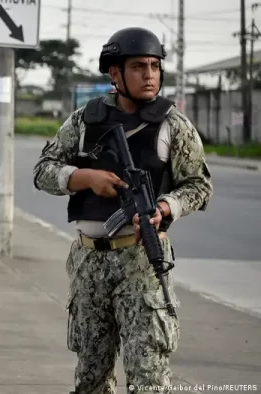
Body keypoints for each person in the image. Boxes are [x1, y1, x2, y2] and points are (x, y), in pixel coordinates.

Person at [32, 27, 212, 394]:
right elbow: (42, 171)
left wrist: (165, 206)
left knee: (148, 376)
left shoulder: (173, 124)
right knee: (91, 375)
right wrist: (84, 177)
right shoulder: (84, 121)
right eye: (138, 67)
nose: (149, 75)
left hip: (142, 261)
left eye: (154, 66)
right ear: (115, 74)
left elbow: (199, 186)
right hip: (88, 260)